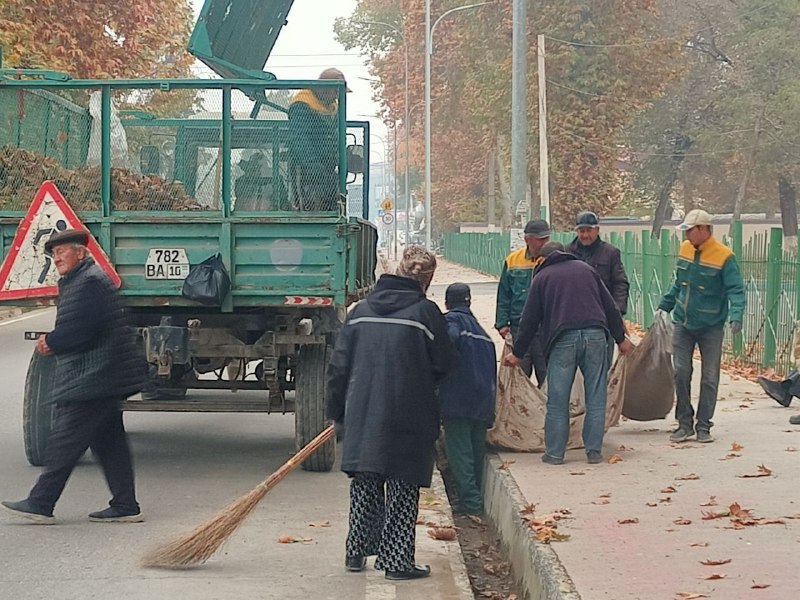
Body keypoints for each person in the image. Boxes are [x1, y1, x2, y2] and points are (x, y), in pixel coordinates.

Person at [327, 246, 455, 580]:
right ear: (426, 279)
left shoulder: (359, 312)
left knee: (365, 486)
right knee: (402, 489)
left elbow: (338, 368)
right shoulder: (426, 313)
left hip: (363, 413)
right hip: (409, 414)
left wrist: (337, 413)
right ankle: (397, 562)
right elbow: (444, 363)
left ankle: (355, 553)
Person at [1, 229, 144, 524]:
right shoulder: (84, 280)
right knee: (110, 443)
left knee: (64, 442)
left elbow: (82, 329)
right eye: (54, 254)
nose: (57, 259)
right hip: (102, 376)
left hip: (94, 376)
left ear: (81, 253)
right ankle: (125, 505)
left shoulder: (89, 283)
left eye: (62, 252)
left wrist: (51, 341)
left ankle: (41, 502)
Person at [502, 242, 634, 465]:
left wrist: (517, 353)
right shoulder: (587, 270)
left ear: (543, 259)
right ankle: (593, 452)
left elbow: (529, 320)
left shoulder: (542, 278)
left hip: (563, 339)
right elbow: (610, 307)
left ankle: (554, 454)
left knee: (558, 400)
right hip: (595, 336)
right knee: (595, 397)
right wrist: (621, 339)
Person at [658, 209, 745, 444]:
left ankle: (704, 425)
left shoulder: (724, 256)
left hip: (711, 326)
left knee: (709, 377)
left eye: (690, 230)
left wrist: (736, 315)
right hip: (683, 323)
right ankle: (684, 423)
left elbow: (736, 289)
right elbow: (679, 283)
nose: (686, 235)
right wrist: (664, 305)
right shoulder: (685, 249)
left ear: (704, 229)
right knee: (680, 372)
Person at [438, 283, 496, 516]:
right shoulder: (484, 335)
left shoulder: (452, 322)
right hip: (483, 401)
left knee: (459, 453)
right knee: (475, 452)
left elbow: (448, 342)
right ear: (469, 302)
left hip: (458, 399)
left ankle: (471, 504)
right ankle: (475, 499)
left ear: (447, 303)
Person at [495, 219, 550, 386]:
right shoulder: (513, 260)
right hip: (519, 328)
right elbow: (504, 294)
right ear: (527, 239)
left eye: (546, 239)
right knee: (519, 378)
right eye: (540, 239)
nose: (544, 243)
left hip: (545, 328)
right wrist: (502, 323)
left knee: (547, 376)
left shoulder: (552, 260)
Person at [287, 67, 350, 211]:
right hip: (306, 171)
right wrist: (312, 166)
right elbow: (299, 138)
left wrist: (342, 160)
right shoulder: (302, 104)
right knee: (310, 206)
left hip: (327, 169)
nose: (337, 97)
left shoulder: (333, 107)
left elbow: (338, 137)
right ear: (325, 89)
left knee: (332, 205)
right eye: (336, 92)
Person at [566, 211, 629, 314]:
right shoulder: (566, 253)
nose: (585, 235)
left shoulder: (610, 253)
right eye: (582, 231)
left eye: (589, 230)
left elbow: (620, 283)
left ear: (597, 230)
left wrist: (618, 310)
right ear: (576, 231)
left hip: (601, 312)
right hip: (572, 312)